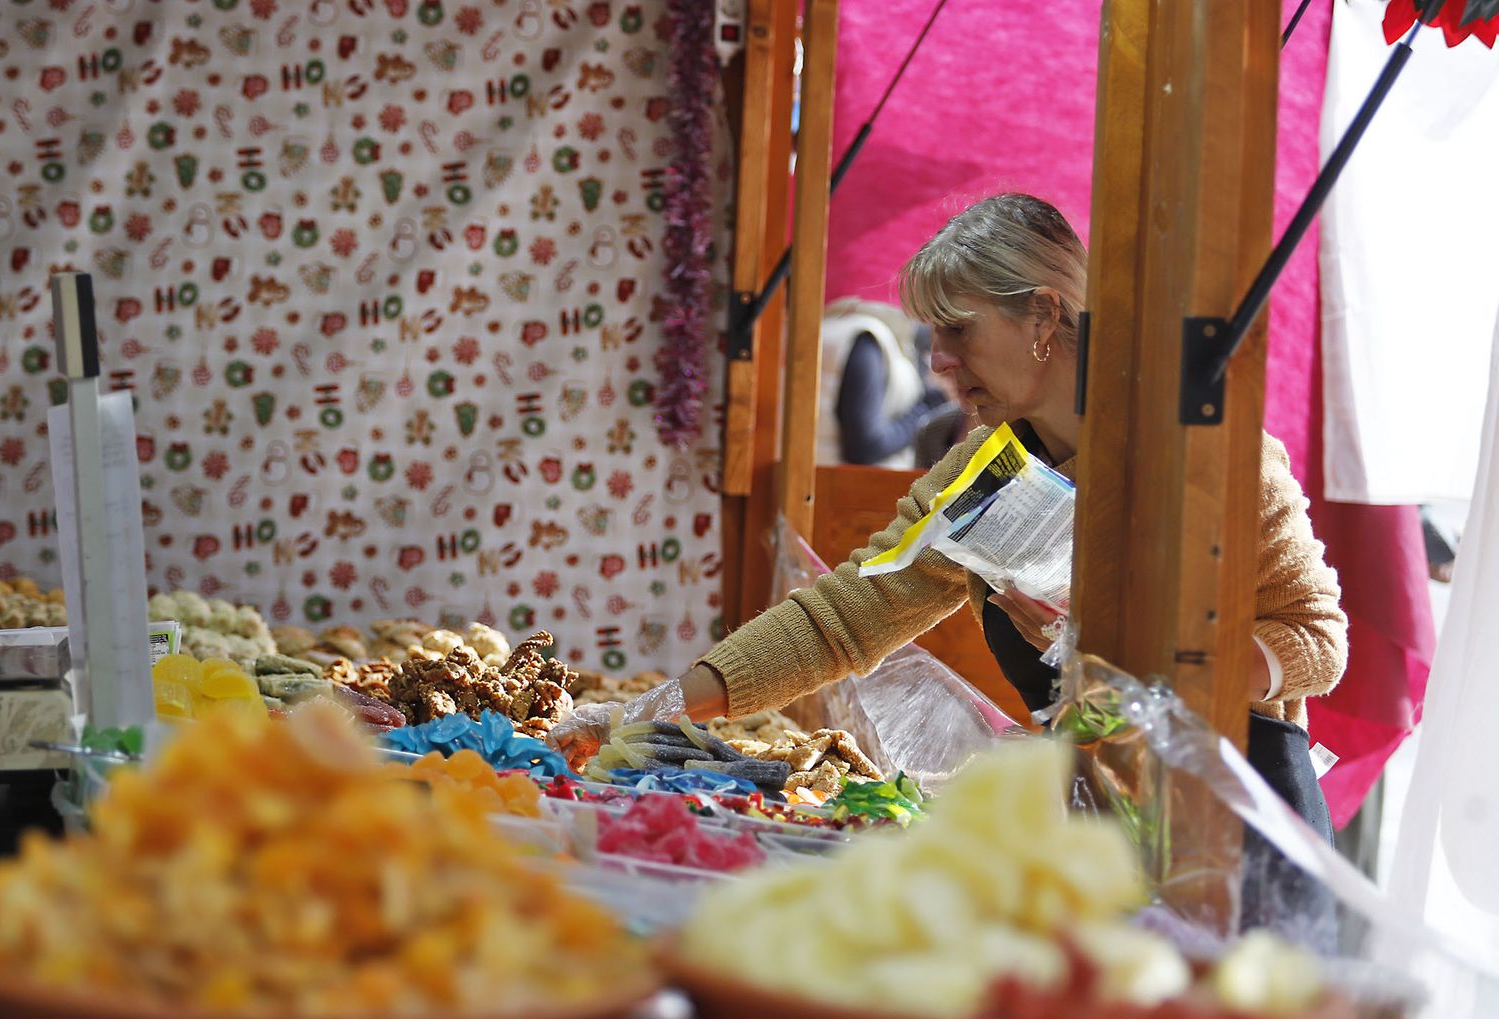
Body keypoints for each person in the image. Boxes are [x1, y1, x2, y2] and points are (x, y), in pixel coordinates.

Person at [553, 193, 1347, 846]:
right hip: (1101, 835)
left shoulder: (1215, 458)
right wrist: (647, 713)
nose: (935, 360)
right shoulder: (985, 471)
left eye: (957, 329)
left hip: (1242, 833)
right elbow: (843, 617)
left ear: (1043, 317)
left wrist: (1126, 662)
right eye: (934, 334)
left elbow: (1317, 642)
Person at [816, 298, 945, 468]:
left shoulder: (823, 328)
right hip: (844, 488)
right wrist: (930, 404)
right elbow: (865, 447)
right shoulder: (867, 339)